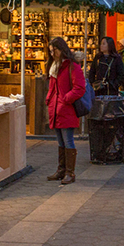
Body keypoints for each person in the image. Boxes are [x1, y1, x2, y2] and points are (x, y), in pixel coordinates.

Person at [45, 36, 87, 184]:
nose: (52, 54)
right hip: (56, 108)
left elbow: (80, 88)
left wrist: (66, 99)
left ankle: (70, 173)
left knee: (68, 140)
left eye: (54, 50)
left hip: (66, 108)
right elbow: (53, 87)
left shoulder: (72, 66)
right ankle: (62, 170)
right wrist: (49, 99)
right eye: (50, 51)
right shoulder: (54, 66)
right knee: (61, 141)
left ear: (61, 49)